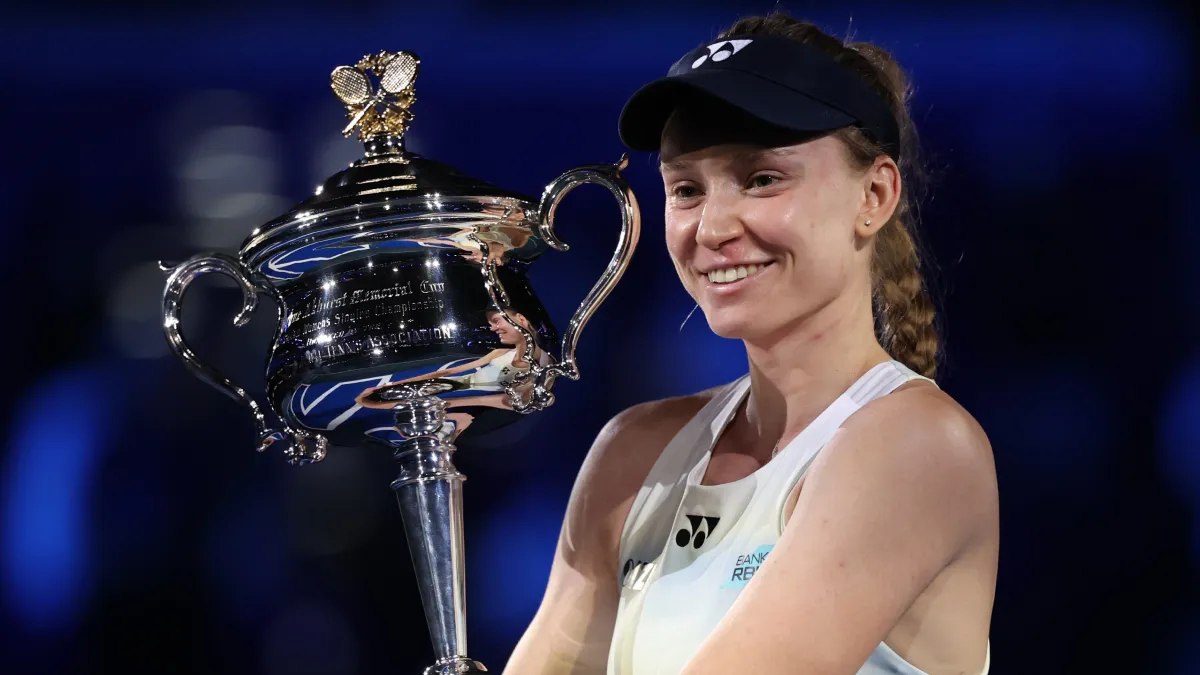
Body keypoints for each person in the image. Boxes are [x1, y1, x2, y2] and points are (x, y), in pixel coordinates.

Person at [504, 13, 997, 675]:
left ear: (875, 195)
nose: (712, 228)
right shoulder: (633, 457)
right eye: (686, 189)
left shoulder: (919, 446)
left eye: (762, 178)